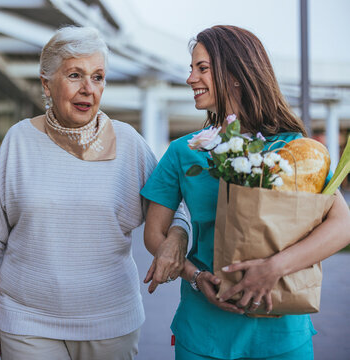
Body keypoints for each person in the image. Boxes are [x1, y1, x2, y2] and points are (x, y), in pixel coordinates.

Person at [0, 26, 191, 360]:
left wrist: (178, 235)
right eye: (75, 75)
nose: (89, 89)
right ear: (46, 83)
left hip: (110, 323)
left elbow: (179, 204)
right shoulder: (18, 141)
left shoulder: (128, 142)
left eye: (98, 77)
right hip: (27, 320)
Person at [141, 25, 350, 360]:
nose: (190, 78)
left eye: (202, 68)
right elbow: (154, 234)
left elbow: (342, 226)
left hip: (282, 329)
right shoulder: (184, 151)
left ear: (236, 74)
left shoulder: (293, 148)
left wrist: (274, 268)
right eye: (191, 68)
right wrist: (194, 277)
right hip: (203, 329)